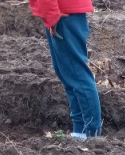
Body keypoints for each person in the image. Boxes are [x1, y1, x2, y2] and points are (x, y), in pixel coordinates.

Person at [29, 0, 102, 139]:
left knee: (78, 75)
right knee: (67, 75)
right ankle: (80, 131)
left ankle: (92, 136)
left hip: (64, 14)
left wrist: (52, 15)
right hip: (63, 12)